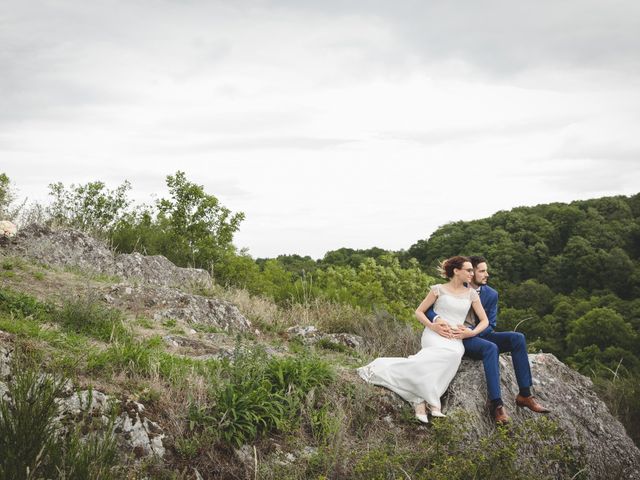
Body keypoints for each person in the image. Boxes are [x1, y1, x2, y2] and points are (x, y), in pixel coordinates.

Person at [357, 256, 489, 423]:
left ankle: (418, 399)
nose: (472, 273)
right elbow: (419, 311)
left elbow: (485, 321)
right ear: (456, 271)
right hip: (434, 334)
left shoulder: (471, 294)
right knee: (436, 356)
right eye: (469, 270)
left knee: (454, 355)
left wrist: (470, 333)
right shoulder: (438, 289)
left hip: (455, 338)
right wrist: (432, 325)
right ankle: (433, 404)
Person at [426, 255, 550, 423]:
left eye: (486, 271)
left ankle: (525, 395)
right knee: (491, 348)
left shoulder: (491, 294)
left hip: (477, 333)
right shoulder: (453, 287)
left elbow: (490, 323)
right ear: (470, 272)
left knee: (518, 338)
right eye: (481, 271)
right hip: (456, 336)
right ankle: (497, 405)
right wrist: (438, 319)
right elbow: (431, 308)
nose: (486, 274)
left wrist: (471, 331)